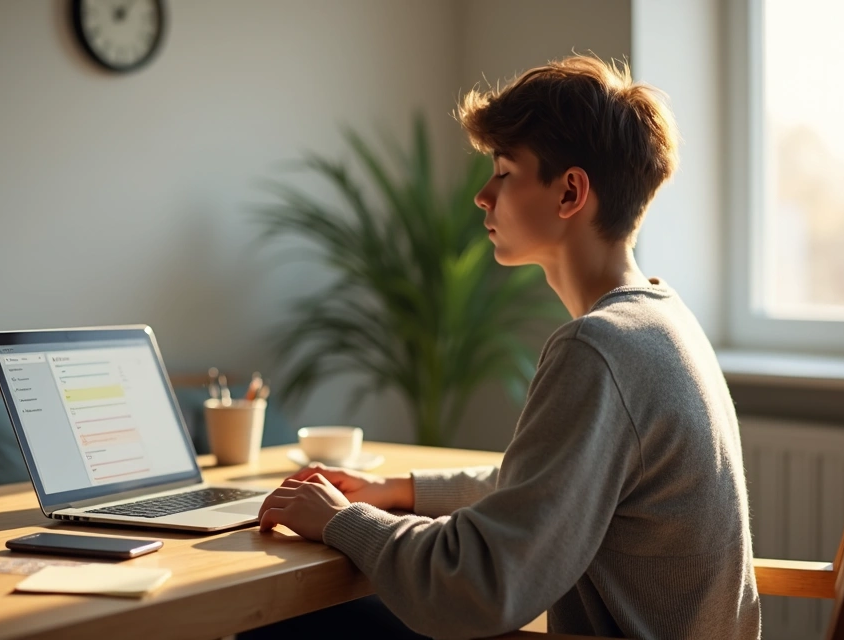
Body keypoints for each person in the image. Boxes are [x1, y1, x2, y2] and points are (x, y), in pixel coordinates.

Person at [246, 55, 761, 639]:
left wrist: (344, 522)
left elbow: (483, 583)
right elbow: (550, 488)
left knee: (284, 625)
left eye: (504, 172)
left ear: (570, 192)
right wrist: (402, 491)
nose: (482, 196)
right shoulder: (663, 321)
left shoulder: (597, 348)